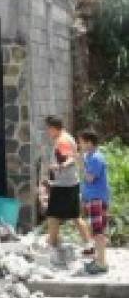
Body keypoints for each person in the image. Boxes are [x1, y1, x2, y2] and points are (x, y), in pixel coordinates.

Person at [44, 115, 91, 263]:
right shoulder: (66, 137)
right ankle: (89, 245)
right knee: (75, 216)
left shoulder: (62, 140)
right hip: (69, 183)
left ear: (53, 128)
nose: (47, 132)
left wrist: (59, 166)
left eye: (48, 129)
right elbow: (75, 155)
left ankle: (52, 245)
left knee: (53, 215)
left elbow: (71, 158)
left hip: (63, 185)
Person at [78, 129, 110, 275]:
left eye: (82, 142)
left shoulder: (96, 158)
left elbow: (90, 178)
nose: (80, 145)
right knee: (97, 230)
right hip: (94, 198)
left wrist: (80, 165)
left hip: (97, 198)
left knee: (98, 232)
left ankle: (101, 263)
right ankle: (99, 260)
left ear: (89, 143)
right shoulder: (90, 156)